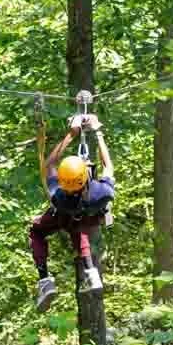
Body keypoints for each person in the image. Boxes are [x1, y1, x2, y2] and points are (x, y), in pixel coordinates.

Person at [30, 113, 114, 311]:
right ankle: (91, 272)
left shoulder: (60, 196)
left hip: (66, 212)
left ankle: (45, 280)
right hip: (90, 216)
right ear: (86, 174)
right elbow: (107, 166)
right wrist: (98, 132)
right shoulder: (102, 192)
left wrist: (71, 134)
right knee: (77, 225)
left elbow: (49, 164)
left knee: (37, 230)